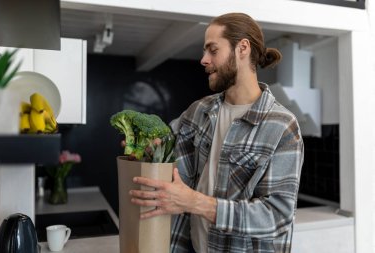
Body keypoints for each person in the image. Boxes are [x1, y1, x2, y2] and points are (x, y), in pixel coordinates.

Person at [129, 12, 304, 253]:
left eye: (212, 50)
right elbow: (165, 148)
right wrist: (145, 145)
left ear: (242, 48)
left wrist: (195, 202)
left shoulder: (282, 126)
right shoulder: (198, 111)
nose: (203, 59)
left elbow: (276, 216)